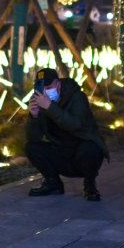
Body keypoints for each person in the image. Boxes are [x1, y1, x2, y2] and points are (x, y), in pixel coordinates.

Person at [25, 67, 109, 201]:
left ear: (58, 84)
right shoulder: (40, 100)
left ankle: (90, 185)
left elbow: (75, 124)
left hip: (83, 154)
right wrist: (33, 116)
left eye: (49, 87)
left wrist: (50, 107)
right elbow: (32, 138)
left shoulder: (77, 96)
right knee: (31, 147)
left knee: (90, 148)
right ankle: (53, 183)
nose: (45, 91)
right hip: (61, 153)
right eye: (42, 87)